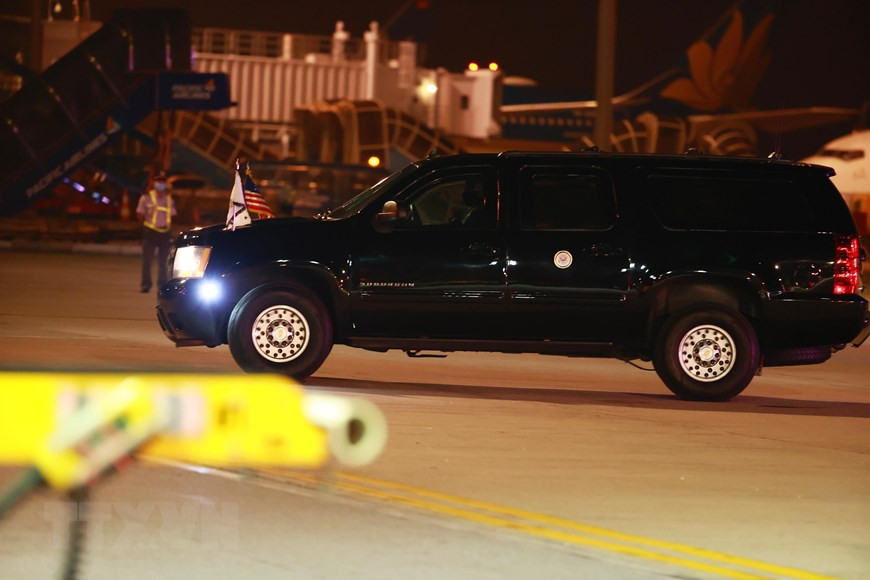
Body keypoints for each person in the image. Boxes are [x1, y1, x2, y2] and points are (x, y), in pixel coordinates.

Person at [136, 172, 176, 293]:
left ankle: (162, 286)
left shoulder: (169, 199)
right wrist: (144, 226)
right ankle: (145, 285)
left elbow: (173, 214)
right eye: (158, 181)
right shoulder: (146, 197)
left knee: (164, 261)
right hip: (150, 232)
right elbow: (139, 213)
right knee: (147, 261)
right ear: (154, 183)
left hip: (164, 233)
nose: (160, 184)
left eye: (163, 182)